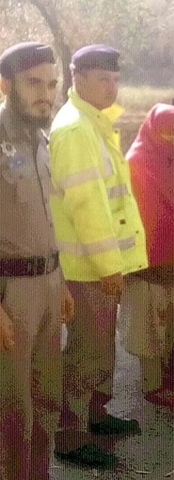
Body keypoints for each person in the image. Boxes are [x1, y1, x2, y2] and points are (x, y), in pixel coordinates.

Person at [49, 45, 148, 468]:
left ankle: (94, 415)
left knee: (101, 349)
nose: (113, 85)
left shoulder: (94, 124)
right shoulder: (75, 130)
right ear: (79, 79)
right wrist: (110, 266)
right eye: (104, 78)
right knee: (85, 354)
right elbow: (87, 208)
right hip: (88, 269)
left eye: (115, 78)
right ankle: (69, 437)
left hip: (100, 267)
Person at [0, 42, 74, 480]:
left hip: (47, 284)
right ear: (7, 85)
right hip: (10, 293)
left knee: (48, 399)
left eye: (51, 84)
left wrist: (60, 279)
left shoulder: (41, 139)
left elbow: (45, 220)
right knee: (13, 410)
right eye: (33, 84)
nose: (45, 94)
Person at [120, 103, 174, 408]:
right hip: (148, 268)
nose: (173, 141)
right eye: (167, 135)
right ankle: (152, 386)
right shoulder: (136, 162)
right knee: (148, 330)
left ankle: (163, 379)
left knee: (168, 326)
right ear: (153, 130)